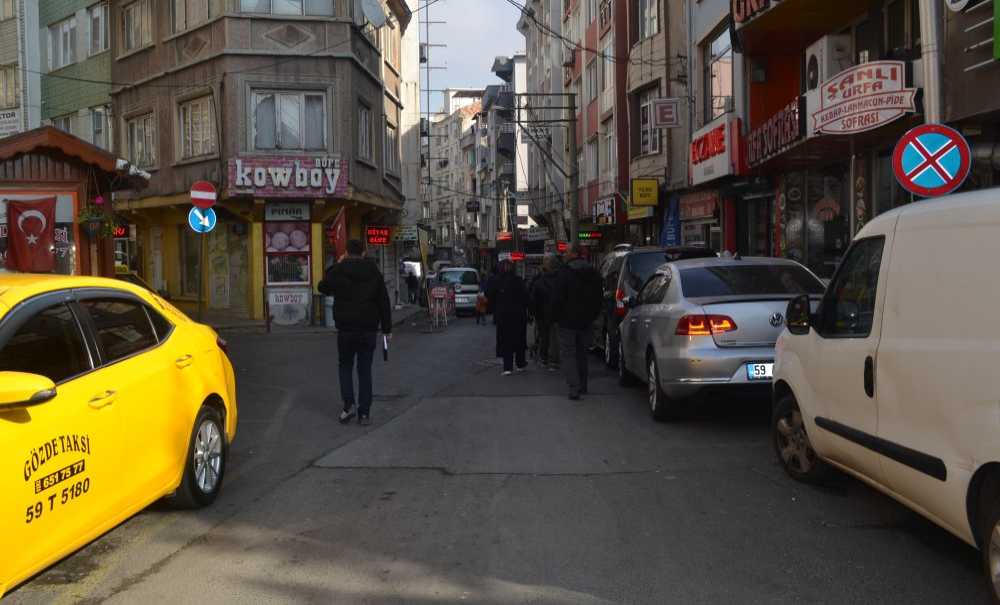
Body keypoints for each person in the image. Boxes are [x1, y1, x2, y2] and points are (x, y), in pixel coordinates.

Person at [318, 239, 392, 426]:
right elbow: (383, 301)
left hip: (346, 328)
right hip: (368, 329)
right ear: (364, 252)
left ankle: (348, 405)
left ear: (347, 252)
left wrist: (339, 263)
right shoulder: (373, 271)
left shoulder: (340, 269)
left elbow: (323, 286)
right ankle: (364, 413)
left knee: (345, 366)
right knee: (364, 370)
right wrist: (387, 329)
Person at [551, 244, 603, 399]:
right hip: (586, 321)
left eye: (566, 252)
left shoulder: (564, 273)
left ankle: (574, 388)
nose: (564, 255)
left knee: (568, 354)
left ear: (573, 254)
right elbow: (598, 298)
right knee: (582, 354)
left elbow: (557, 298)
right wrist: (592, 316)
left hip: (567, 322)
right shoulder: (593, 272)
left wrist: (555, 317)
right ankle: (583, 385)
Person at [484, 260, 529, 375]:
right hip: (518, 315)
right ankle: (520, 363)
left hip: (503, 315)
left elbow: (489, 295)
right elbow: (526, 297)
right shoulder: (518, 281)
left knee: (506, 341)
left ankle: (507, 367)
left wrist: (493, 309)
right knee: (519, 339)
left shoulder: (496, 281)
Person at [529, 254, 561, 369]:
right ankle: (555, 359)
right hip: (557, 313)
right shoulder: (561, 279)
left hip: (543, 315)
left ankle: (545, 358)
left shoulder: (539, 281)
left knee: (544, 336)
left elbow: (533, 300)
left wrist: (533, 313)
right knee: (556, 336)